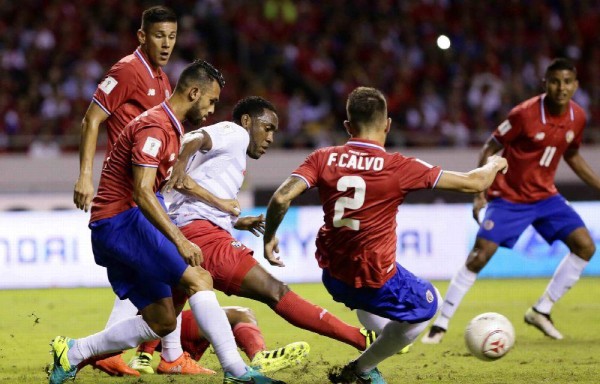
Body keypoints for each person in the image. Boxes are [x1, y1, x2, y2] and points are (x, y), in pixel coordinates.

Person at [48, 60, 283, 384]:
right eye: (212, 101)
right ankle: (237, 370)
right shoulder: (157, 126)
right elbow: (143, 193)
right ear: (194, 92)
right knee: (199, 278)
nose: (213, 109)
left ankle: (72, 352)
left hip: (118, 224)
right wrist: (180, 239)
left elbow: (164, 190)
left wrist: (229, 217)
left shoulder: (173, 130)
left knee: (162, 322)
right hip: (122, 221)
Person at [262, 86, 508, 383]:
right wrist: (495, 162)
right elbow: (475, 182)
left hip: (334, 275)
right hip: (375, 277)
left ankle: (381, 341)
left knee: (378, 311)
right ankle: (360, 371)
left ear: (347, 127)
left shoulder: (322, 157)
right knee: (429, 305)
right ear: (387, 124)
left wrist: (269, 237)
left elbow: (280, 198)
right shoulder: (399, 167)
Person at [421, 58, 600, 344]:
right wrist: (479, 192)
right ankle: (440, 325)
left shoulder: (577, 117)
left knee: (585, 246)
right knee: (479, 256)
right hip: (509, 197)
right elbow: (489, 148)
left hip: (546, 196)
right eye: (555, 81)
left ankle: (541, 310)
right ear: (545, 83)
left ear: (576, 85)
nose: (561, 87)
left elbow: (573, 155)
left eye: (567, 82)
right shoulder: (524, 114)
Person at [130, 307, 309, 375]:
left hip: (168, 334)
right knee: (241, 313)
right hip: (171, 328)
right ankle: (260, 356)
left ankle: (144, 356)